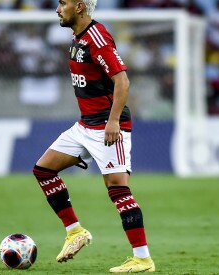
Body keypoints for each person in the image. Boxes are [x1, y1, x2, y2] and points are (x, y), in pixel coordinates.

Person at [32, 0, 155, 273]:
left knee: (118, 189)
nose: (57, 9)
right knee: (43, 170)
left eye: (62, 3)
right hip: (85, 126)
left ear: (78, 7)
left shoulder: (97, 38)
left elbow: (122, 80)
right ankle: (75, 232)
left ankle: (143, 259)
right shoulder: (78, 37)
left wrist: (113, 121)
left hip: (109, 127)